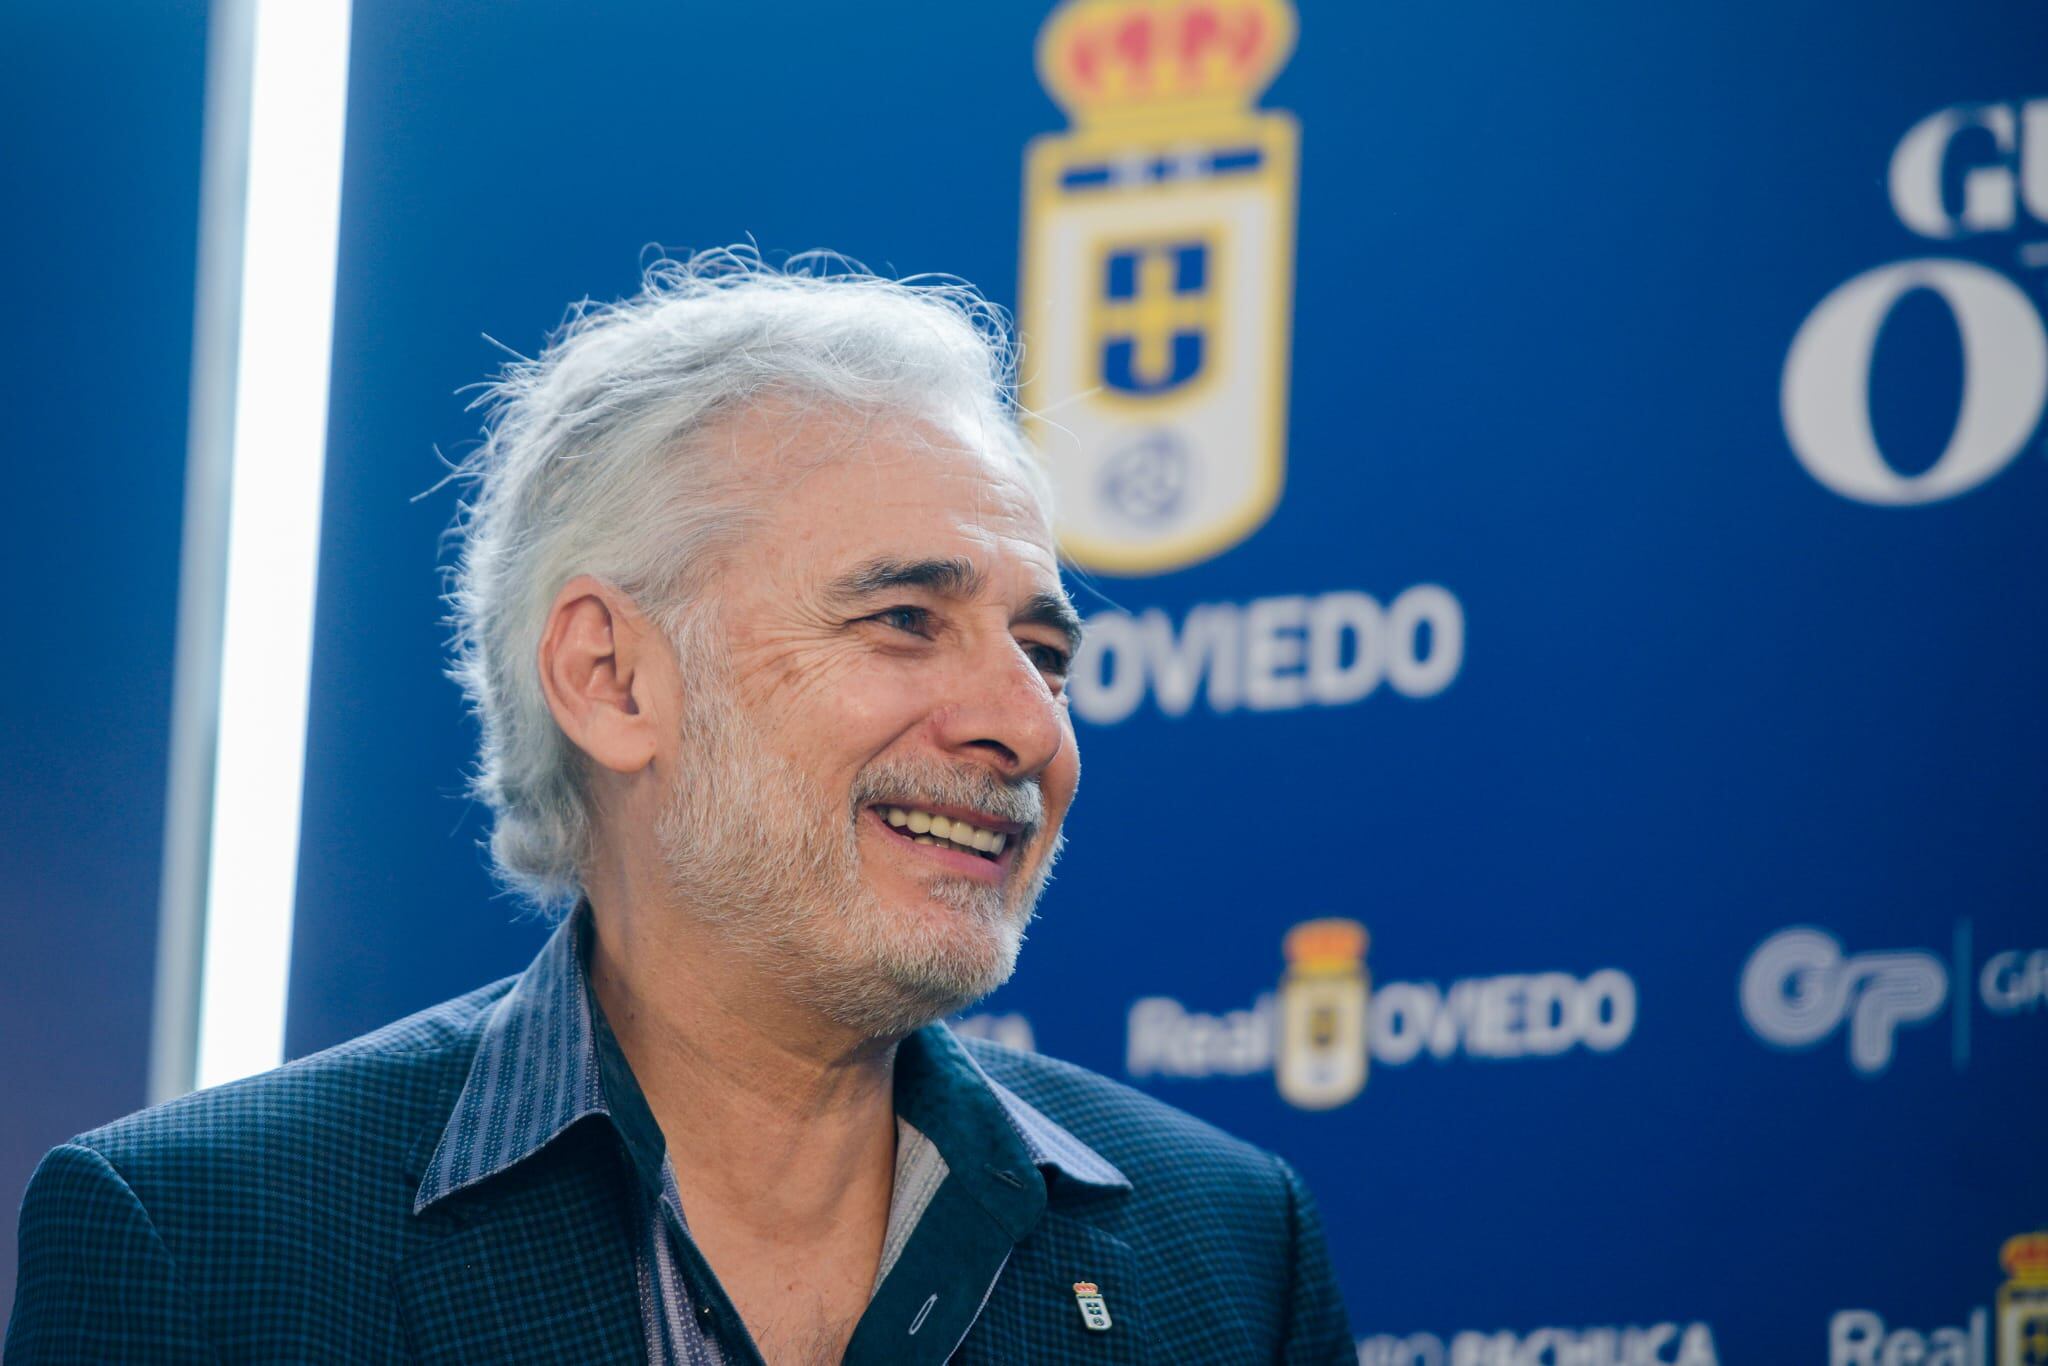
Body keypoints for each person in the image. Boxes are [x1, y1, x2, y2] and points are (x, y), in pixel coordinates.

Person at [6, 251, 1354, 1364]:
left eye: (1045, 654)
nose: (1027, 725)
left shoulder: (1231, 1252)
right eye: (903, 619)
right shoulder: (205, 1247)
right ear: (612, 677)